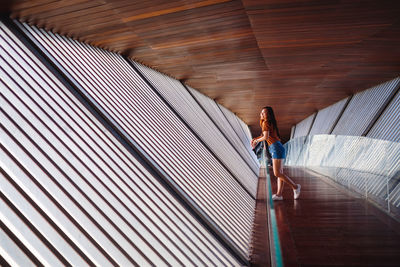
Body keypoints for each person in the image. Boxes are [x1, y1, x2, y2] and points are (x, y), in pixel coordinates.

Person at [251, 106, 301, 200]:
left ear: (268, 114)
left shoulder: (265, 122)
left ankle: (295, 187)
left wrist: (256, 141)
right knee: (280, 173)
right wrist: (256, 139)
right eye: (261, 112)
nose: (261, 114)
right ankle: (279, 195)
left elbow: (265, 137)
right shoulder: (268, 122)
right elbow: (265, 135)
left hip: (275, 147)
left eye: (264, 113)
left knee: (277, 173)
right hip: (277, 146)